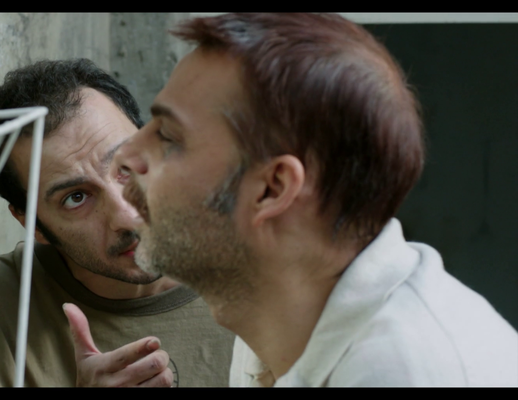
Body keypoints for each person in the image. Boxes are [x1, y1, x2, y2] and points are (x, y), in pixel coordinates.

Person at [115, 13, 518, 387]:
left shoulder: (400, 372)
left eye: (168, 136)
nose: (126, 155)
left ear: (273, 189)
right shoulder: (271, 328)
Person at [0, 59, 235, 387]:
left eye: (126, 167)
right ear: (33, 224)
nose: (128, 217)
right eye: (76, 197)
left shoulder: (259, 267)